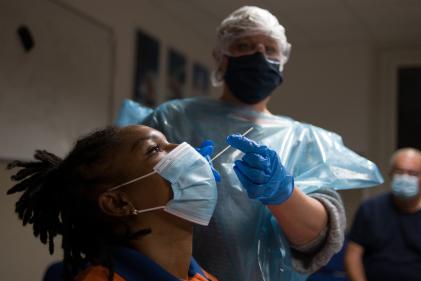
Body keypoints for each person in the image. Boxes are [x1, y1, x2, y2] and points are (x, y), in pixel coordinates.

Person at [118, 6, 383, 281]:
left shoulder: (306, 140)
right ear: (221, 58)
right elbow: (126, 195)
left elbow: (317, 240)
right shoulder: (173, 119)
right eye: (244, 45)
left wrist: (282, 193)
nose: (259, 55)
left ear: (281, 60)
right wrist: (174, 183)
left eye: (270, 48)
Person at [6, 125, 219, 281]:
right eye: (154, 149)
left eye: (168, 142)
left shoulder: (204, 278)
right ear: (117, 203)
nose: (183, 148)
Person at [344, 147, 421, 281]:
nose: (405, 178)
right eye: (399, 172)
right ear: (390, 174)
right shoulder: (369, 209)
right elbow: (353, 255)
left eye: (413, 174)